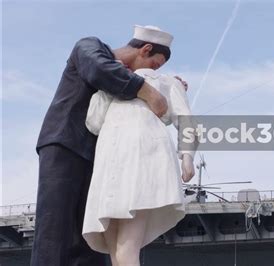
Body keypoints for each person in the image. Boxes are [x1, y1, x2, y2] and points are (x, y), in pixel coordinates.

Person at [32, 25, 185, 266]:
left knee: (92, 239)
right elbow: (101, 70)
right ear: (145, 49)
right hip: (65, 144)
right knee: (56, 228)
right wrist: (150, 92)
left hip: (101, 157)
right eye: (155, 66)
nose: (151, 71)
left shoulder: (127, 78)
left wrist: (164, 83)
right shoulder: (89, 46)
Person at [82, 68, 196, 265]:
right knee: (116, 251)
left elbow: (185, 118)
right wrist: (107, 85)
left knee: (127, 247)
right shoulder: (111, 85)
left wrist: (187, 155)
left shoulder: (166, 81)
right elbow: (94, 122)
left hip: (142, 160)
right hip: (109, 163)